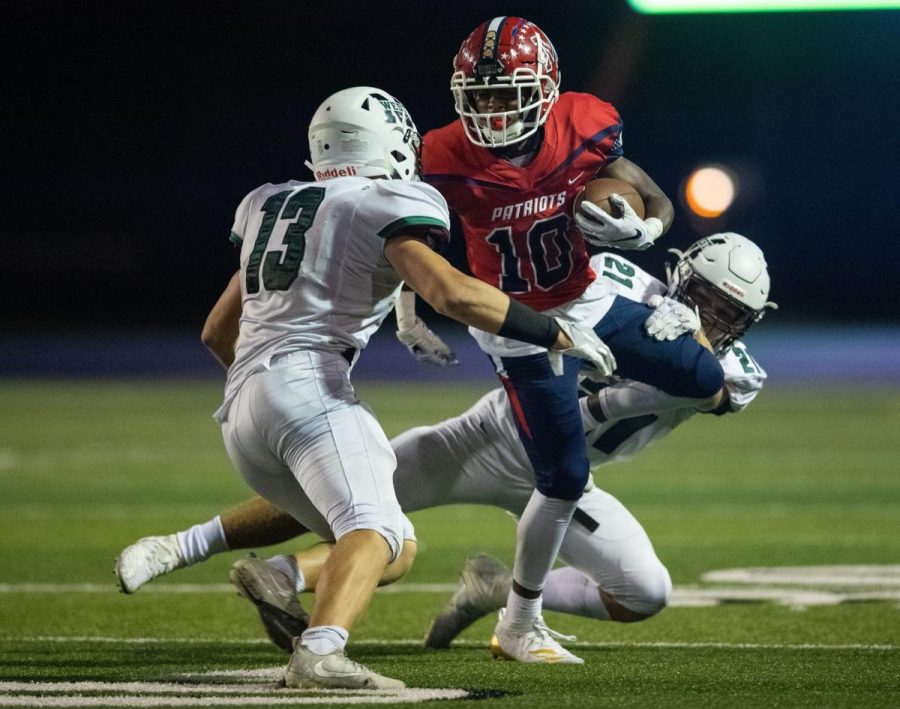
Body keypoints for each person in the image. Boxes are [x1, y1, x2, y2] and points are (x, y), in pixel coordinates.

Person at [115, 233, 775, 656]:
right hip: (491, 432)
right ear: (681, 277)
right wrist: (629, 321)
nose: (712, 320)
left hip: (568, 479)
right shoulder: (615, 281)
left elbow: (707, 388)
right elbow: (541, 288)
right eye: (705, 302)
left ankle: (495, 590)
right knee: (346, 487)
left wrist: (667, 341)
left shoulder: (737, 370)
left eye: (728, 314)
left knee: (645, 592)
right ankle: (193, 549)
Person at [167, 84, 616, 691]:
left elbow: (219, 331)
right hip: (311, 383)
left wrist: (260, 385)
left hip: (243, 402)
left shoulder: (268, 201)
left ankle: (204, 557)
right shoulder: (391, 196)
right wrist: (552, 332)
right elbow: (452, 292)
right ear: (389, 141)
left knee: (396, 546)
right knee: (375, 528)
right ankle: (320, 651)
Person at [415, 16, 726, 663]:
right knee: (562, 477)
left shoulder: (584, 125)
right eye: (484, 95)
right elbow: (399, 239)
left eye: (509, 93)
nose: (496, 109)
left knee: (702, 376)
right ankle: (519, 624)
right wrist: (403, 308)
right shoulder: (445, 156)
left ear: (547, 87)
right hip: (519, 325)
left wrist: (648, 228)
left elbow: (649, 195)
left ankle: (593, 411)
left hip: (589, 297)